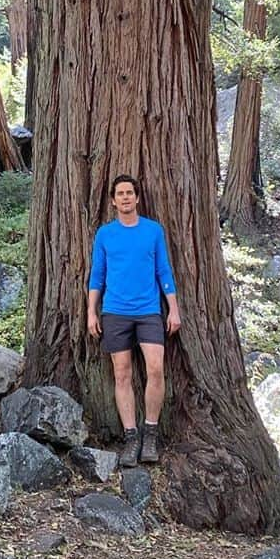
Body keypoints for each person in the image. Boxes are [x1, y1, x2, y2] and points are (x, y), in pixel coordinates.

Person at [86, 175, 181, 466]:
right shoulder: (105, 234)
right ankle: (130, 437)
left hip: (149, 311)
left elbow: (163, 270)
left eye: (130, 193)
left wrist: (173, 309)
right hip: (114, 312)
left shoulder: (153, 231)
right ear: (113, 201)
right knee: (122, 374)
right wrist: (91, 311)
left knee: (155, 369)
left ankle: (150, 434)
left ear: (137, 198)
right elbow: (97, 275)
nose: (126, 197)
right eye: (120, 194)